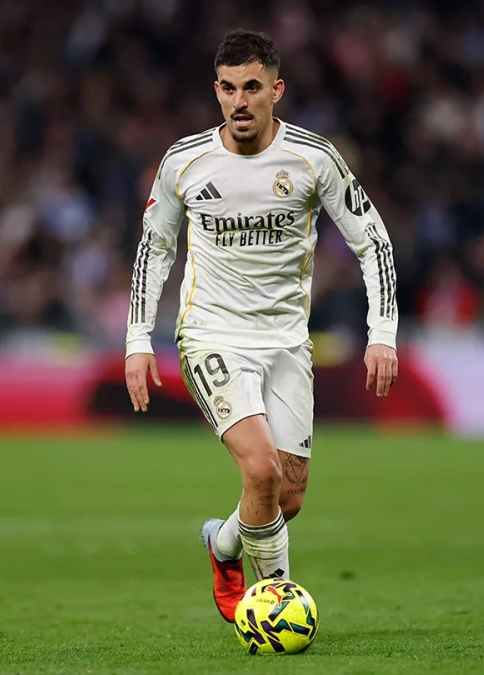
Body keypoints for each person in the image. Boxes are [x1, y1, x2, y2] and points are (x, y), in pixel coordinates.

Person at [123, 29, 399, 623]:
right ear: (216, 91)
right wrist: (137, 340)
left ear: (276, 89)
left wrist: (383, 333)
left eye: (252, 87)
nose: (239, 101)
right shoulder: (184, 162)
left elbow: (372, 241)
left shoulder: (313, 159)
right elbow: (155, 249)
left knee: (287, 497)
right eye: (227, 89)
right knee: (261, 469)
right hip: (211, 334)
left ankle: (222, 543)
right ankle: (275, 609)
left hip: (287, 342)